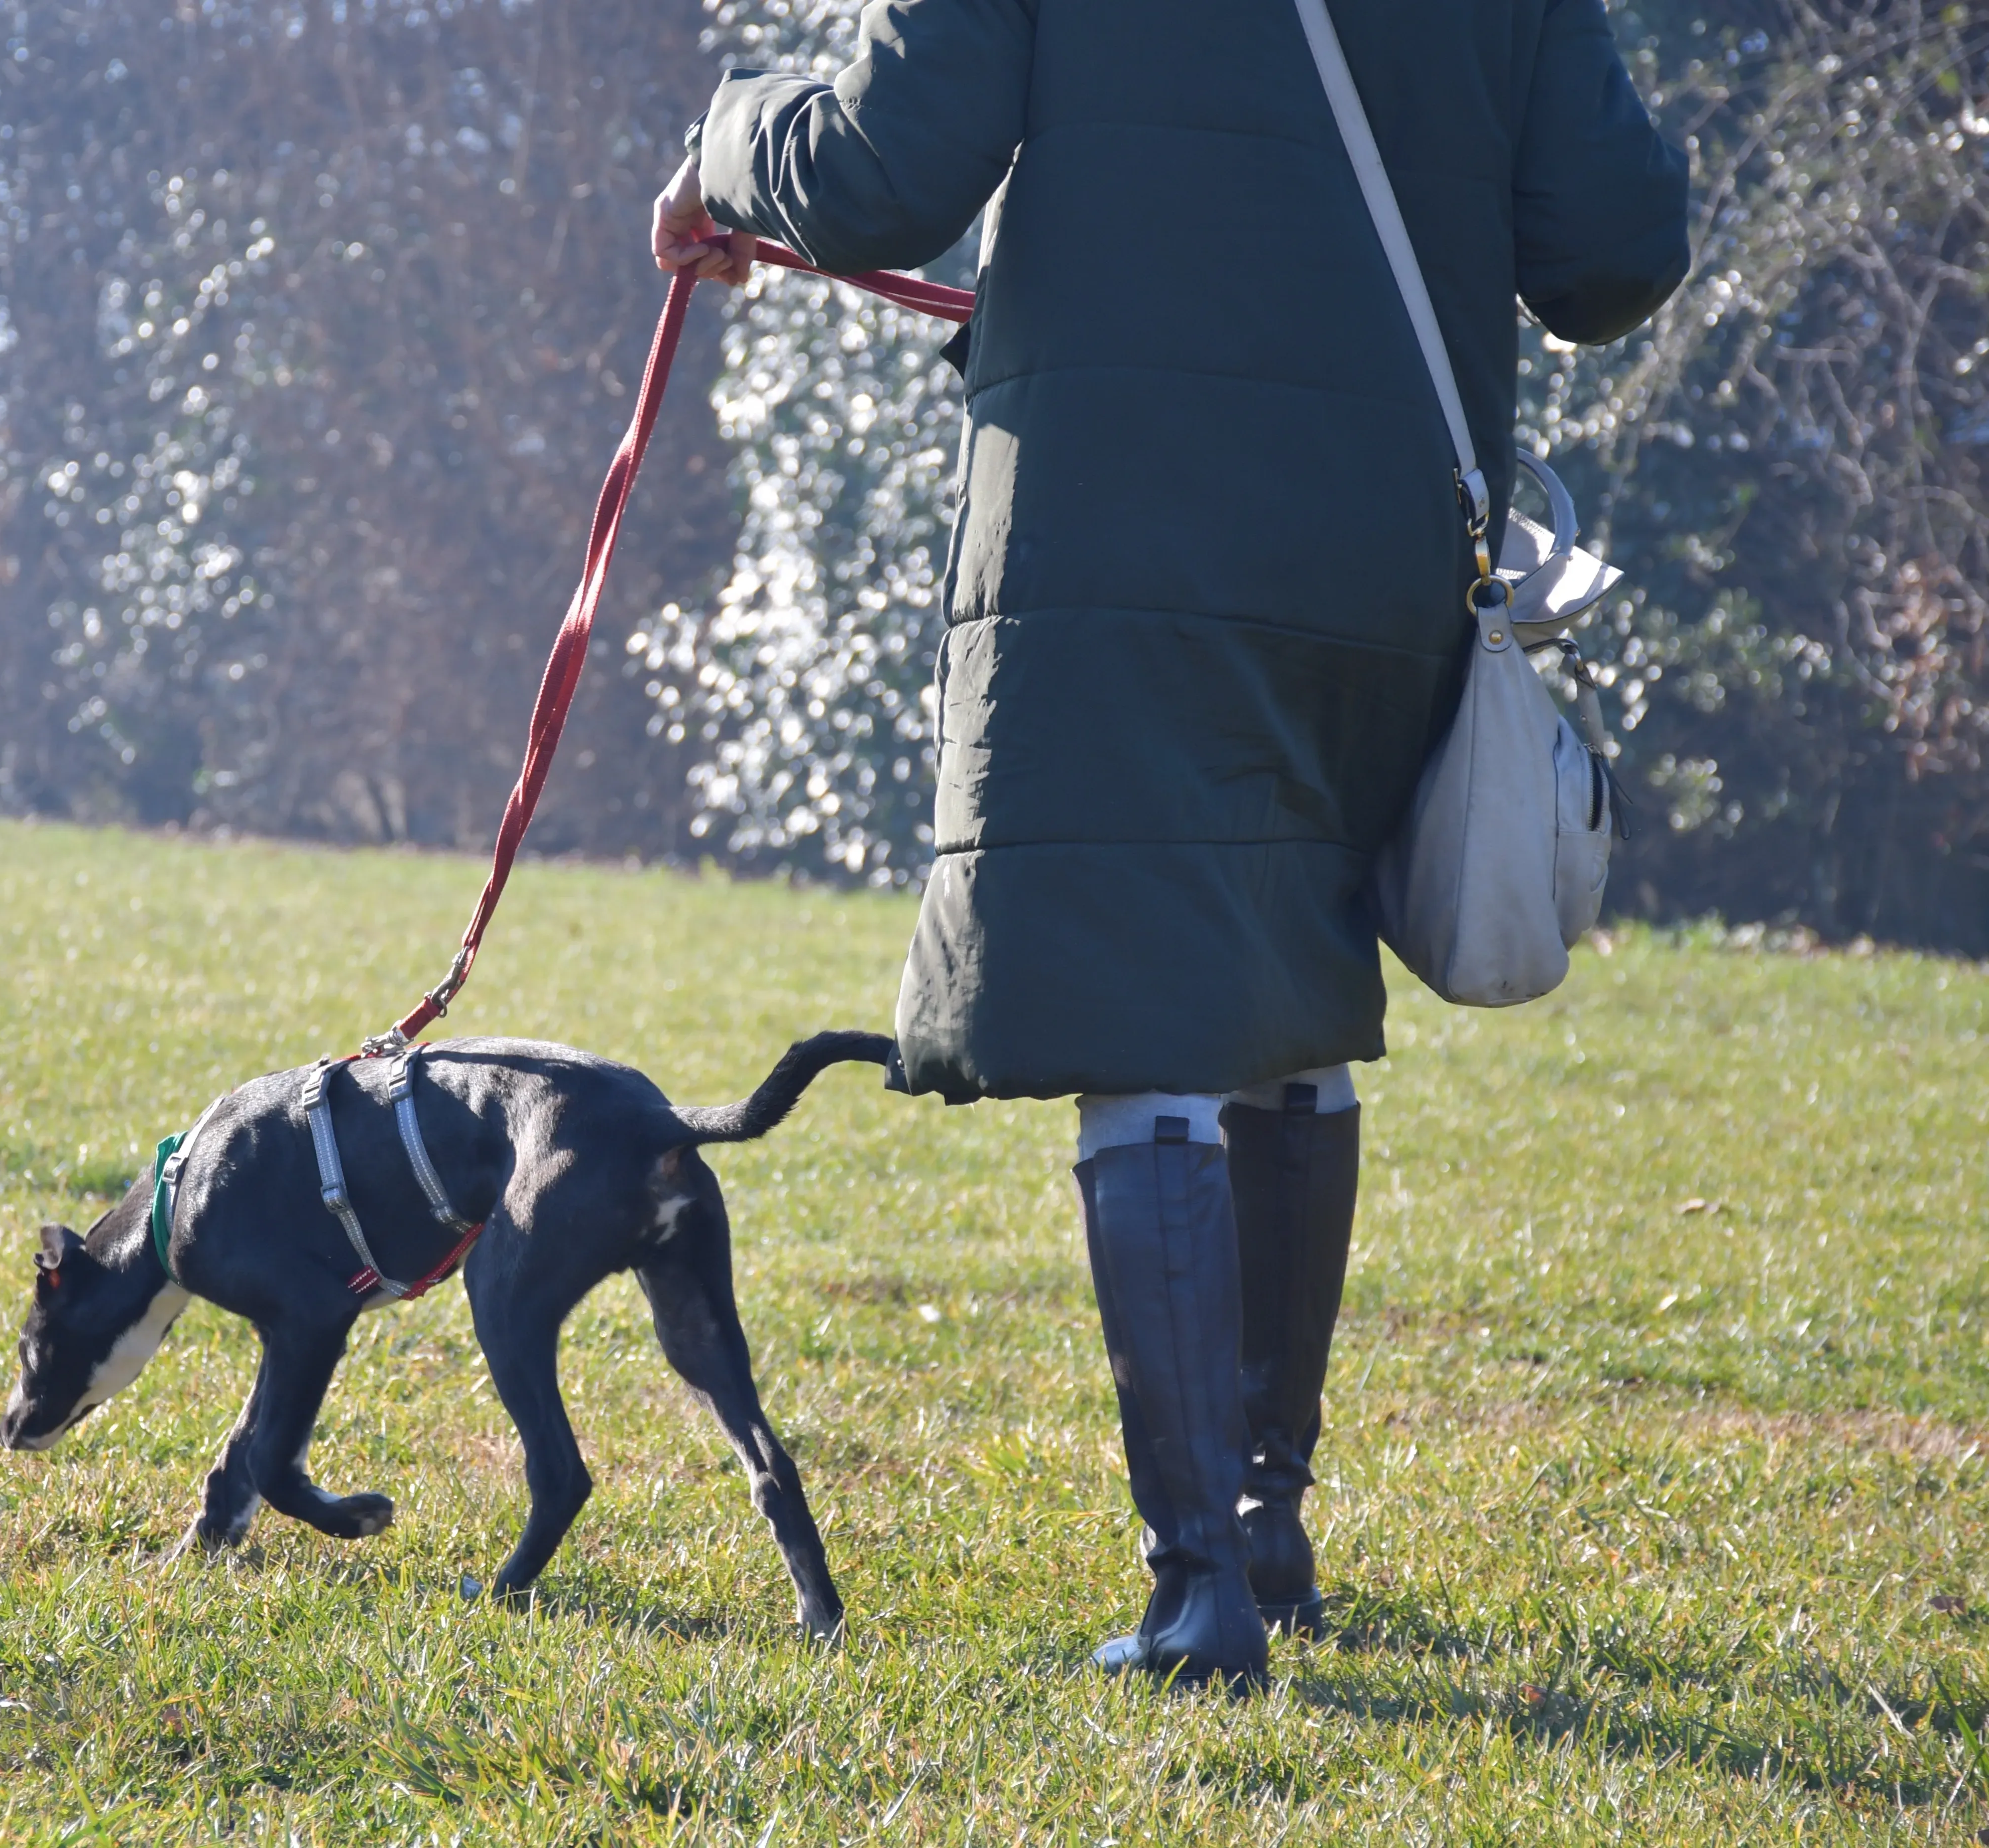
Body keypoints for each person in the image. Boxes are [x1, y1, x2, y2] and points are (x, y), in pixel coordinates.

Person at [656, 0, 1688, 1687]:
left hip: (1121, 520)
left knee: (1153, 1023)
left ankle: (1198, 1590)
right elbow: (1618, 253)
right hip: (1383, 549)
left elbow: (882, 175)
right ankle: (1269, 1529)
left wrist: (722, 139)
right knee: (1289, 989)